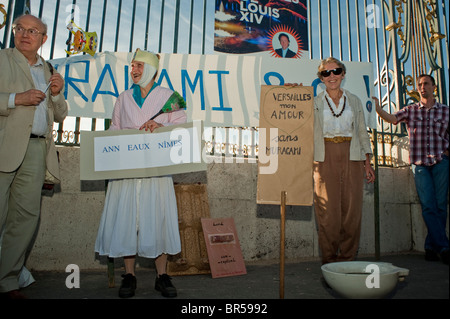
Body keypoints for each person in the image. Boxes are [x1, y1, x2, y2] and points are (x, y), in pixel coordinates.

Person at [94, 49, 187, 298]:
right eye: (131, 66)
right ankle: (129, 276)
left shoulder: (170, 97)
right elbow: (115, 127)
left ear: (152, 69)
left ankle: (162, 276)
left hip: (156, 170)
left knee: (158, 217)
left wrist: (161, 125)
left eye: (138, 66)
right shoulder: (123, 98)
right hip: (127, 169)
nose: (133, 70)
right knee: (127, 219)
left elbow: (182, 126)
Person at [0, 14, 68, 299]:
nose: (25, 34)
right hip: (4, 147)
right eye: (20, 29)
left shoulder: (49, 68)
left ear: (44, 39)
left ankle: (7, 281)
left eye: (33, 31)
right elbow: (16, 100)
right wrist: (16, 99)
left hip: (37, 150)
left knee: (25, 218)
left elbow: (61, 114)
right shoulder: (2, 59)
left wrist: (56, 93)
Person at [374, 74, 449, 265]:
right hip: (420, 165)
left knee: (440, 205)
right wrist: (377, 108)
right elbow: (392, 119)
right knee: (428, 206)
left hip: (441, 162)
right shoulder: (411, 110)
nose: (422, 87)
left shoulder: (445, 111)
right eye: (420, 85)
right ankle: (445, 247)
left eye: (426, 84)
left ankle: (431, 247)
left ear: (434, 87)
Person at [313, 57, 375, 264]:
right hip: (324, 156)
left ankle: (348, 258)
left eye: (336, 71)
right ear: (321, 78)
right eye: (326, 73)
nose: (332, 76)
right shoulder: (314, 103)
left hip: (353, 155)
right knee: (327, 211)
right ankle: (329, 261)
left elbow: (361, 132)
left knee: (352, 210)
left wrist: (367, 162)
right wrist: (290, 92)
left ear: (343, 74)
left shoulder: (355, 100)